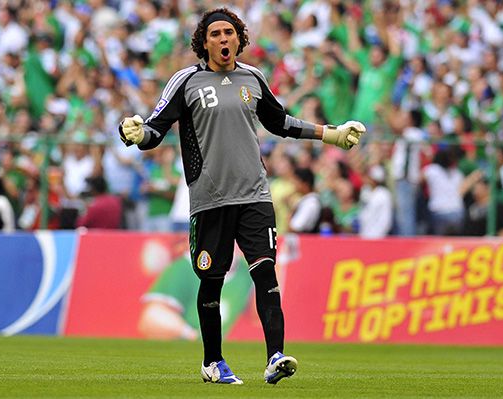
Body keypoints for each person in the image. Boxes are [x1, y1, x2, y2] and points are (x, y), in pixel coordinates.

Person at [118, 7, 366, 385]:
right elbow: (155, 128)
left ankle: (275, 357)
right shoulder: (186, 81)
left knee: (265, 272)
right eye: (215, 34)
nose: (222, 40)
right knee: (212, 281)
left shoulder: (253, 77)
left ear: (240, 39)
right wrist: (135, 133)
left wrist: (330, 133)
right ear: (204, 41)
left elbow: (281, 122)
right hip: (210, 200)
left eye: (229, 33)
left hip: (254, 195)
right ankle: (213, 362)